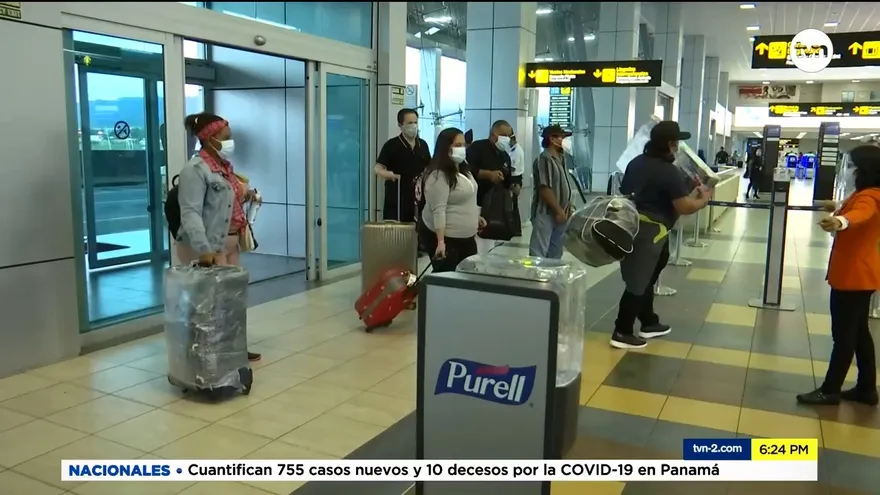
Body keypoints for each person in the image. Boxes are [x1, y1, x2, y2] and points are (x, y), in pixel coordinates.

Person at [611, 121, 712, 349]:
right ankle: (622, 330)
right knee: (639, 281)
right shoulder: (668, 170)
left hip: (632, 226)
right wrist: (703, 199)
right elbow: (684, 206)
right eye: (676, 142)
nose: (678, 147)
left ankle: (648, 321)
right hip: (650, 233)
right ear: (669, 144)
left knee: (646, 277)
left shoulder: (636, 163)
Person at [797, 144, 880, 407]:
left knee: (843, 334)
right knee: (859, 333)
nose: (849, 170)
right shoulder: (869, 192)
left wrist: (841, 221)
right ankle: (867, 389)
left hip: (853, 275)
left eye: (852, 165)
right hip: (862, 274)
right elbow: (854, 208)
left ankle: (830, 389)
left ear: (863, 169)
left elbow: (861, 214)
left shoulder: (869, 197)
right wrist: (837, 208)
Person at [177, 112, 261, 362]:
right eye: (226, 137)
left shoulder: (225, 168)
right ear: (210, 138)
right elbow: (190, 213)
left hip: (231, 244)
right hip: (210, 248)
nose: (230, 141)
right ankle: (203, 356)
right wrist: (204, 250)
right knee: (208, 305)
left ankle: (232, 349)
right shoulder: (195, 170)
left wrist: (246, 195)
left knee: (231, 301)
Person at [421, 127, 485, 272]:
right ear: (446, 148)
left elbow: (466, 198)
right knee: (446, 278)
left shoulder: (463, 170)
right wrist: (441, 242)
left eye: (463, 145)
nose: (462, 149)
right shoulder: (438, 176)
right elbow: (439, 210)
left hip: (466, 237)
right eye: (457, 145)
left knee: (467, 275)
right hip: (448, 238)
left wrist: (476, 216)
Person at [467, 120, 515, 254]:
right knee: (478, 242)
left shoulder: (505, 155)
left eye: (508, 136)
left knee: (490, 242)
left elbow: (508, 179)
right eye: (503, 135)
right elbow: (466, 170)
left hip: (495, 205)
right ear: (493, 134)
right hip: (477, 202)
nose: (506, 139)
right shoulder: (477, 148)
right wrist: (487, 174)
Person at [375, 108, 431, 221]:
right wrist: (391, 175)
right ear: (400, 125)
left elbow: (429, 167)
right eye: (410, 123)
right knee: (396, 230)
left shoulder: (423, 145)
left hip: (419, 196)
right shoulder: (392, 145)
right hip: (398, 196)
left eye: (415, 122)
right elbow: (378, 168)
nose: (413, 126)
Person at [530, 125, 574, 259]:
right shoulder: (545, 159)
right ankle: (535, 278)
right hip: (547, 213)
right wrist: (558, 211)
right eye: (562, 137)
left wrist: (567, 208)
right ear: (552, 138)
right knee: (539, 252)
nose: (564, 140)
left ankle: (551, 278)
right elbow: (545, 189)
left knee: (555, 252)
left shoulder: (561, 158)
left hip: (562, 213)